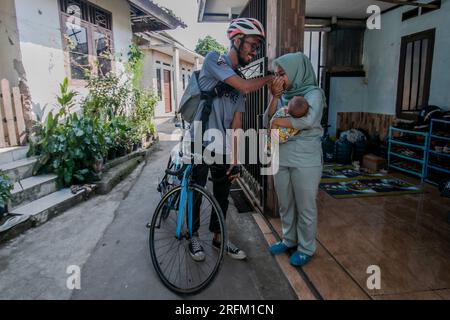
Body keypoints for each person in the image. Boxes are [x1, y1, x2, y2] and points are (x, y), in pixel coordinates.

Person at [187, 18, 275, 261]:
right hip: (198, 141)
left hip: (221, 145)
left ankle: (218, 238)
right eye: (252, 44)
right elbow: (246, 87)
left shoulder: (239, 80)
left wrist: (235, 160)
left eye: (257, 47)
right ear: (236, 41)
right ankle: (193, 236)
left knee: (222, 194)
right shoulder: (214, 59)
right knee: (196, 189)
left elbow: (236, 125)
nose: (254, 50)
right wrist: (270, 79)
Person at [263, 52, 325, 267]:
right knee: (286, 203)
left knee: (305, 206)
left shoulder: (314, 94)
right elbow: (266, 119)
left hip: (306, 159)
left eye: (283, 74)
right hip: (282, 156)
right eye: (277, 74)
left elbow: (308, 121)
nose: (279, 79)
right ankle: (289, 239)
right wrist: (275, 97)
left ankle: (306, 247)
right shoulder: (284, 96)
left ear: (297, 72)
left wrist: (278, 122)